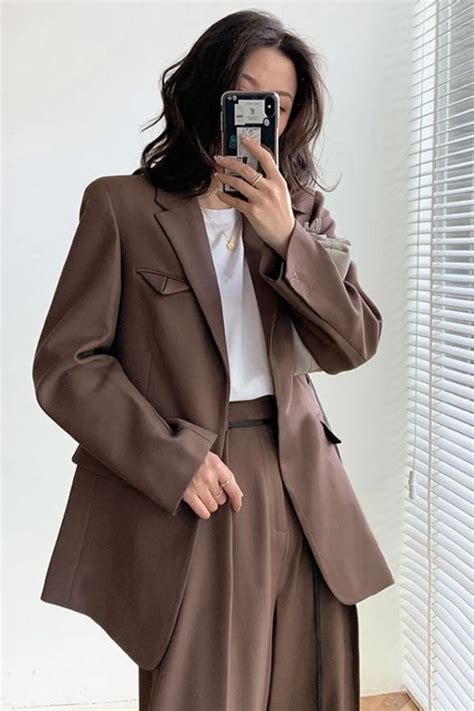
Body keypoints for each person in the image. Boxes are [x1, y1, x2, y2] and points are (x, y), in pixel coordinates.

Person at [32, 9, 395, 710]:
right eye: (245, 93)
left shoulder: (301, 214)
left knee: (311, 690)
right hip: (199, 480)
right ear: (207, 91)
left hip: (304, 482)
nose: (260, 117)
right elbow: (66, 365)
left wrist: (287, 240)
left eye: (278, 105)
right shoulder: (123, 207)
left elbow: (352, 343)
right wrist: (172, 459)